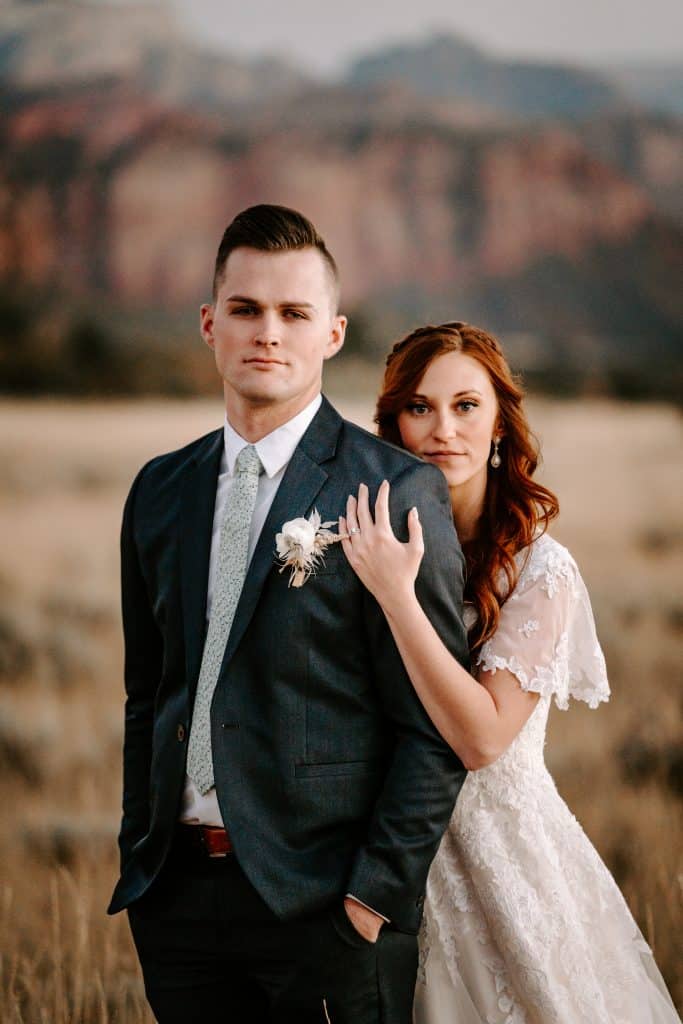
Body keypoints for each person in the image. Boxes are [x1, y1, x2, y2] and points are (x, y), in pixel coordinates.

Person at [107, 205, 470, 1023]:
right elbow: (146, 692)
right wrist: (140, 848)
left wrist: (371, 899)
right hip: (177, 903)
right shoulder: (158, 489)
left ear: (332, 334)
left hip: (324, 908)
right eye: (245, 309)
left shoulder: (394, 489)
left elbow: (432, 725)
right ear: (210, 324)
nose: (267, 333)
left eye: (293, 313)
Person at [340, 321, 681, 1023]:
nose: (443, 429)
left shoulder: (540, 569)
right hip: (387, 851)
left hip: (502, 860)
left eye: (466, 406)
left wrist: (397, 597)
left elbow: (482, 739)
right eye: (419, 407)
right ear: (393, 423)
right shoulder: (371, 539)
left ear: (499, 424)